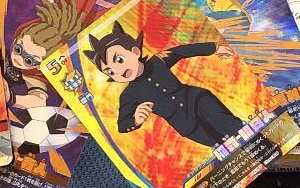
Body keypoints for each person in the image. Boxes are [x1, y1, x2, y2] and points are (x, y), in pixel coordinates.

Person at [85, 21, 243, 147]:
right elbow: (122, 125)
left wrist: (214, 48)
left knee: (237, 129)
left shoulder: (159, 60)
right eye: (110, 72)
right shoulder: (128, 95)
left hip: (199, 101)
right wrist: (136, 120)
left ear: (135, 52)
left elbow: (182, 51)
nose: (118, 71)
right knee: (224, 146)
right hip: (187, 125)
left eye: (119, 60)